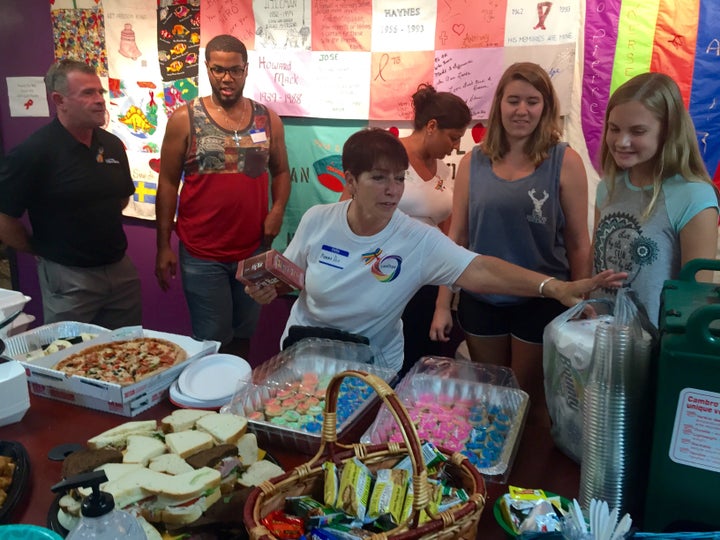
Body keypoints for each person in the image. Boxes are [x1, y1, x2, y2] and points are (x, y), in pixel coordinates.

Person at [245, 128, 624, 374]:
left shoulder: (415, 239)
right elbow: (288, 278)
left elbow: (482, 269)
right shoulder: (317, 219)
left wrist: (554, 287)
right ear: (350, 181)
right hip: (303, 358)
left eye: (398, 179)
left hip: (370, 372)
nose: (392, 190)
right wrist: (267, 289)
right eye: (378, 179)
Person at [430, 62, 592, 415]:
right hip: (481, 298)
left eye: (532, 101)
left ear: (546, 107)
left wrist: (580, 305)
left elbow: (579, 241)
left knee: (528, 402)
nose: (522, 110)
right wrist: (443, 304)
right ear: (499, 105)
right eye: (513, 100)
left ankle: (527, 470)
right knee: (490, 399)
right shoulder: (474, 161)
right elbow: (455, 238)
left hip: (542, 299)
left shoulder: (565, 161)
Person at [155, 34, 291, 357]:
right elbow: (168, 182)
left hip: (253, 251)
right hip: (203, 255)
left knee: (245, 335)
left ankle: (235, 403)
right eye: (218, 70)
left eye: (234, 70)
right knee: (211, 342)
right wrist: (162, 245)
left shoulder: (267, 119)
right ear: (207, 69)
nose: (226, 78)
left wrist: (278, 210)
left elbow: (281, 171)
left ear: (246, 70)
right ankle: (211, 405)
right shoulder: (184, 118)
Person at [0, 59, 142, 329]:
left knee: (128, 348)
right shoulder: (34, 152)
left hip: (119, 269)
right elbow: (4, 218)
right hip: (69, 276)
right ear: (59, 100)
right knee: (71, 354)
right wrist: (39, 250)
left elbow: (121, 198)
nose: (100, 100)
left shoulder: (111, 145)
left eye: (100, 92)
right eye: (88, 93)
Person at [341, 84, 471, 375]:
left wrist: (442, 303)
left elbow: (450, 240)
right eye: (453, 137)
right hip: (379, 279)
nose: (455, 147)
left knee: (420, 367)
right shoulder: (385, 156)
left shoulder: (442, 169)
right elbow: (344, 216)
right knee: (379, 369)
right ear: (431, 126)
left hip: (424, 284)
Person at [592, 72, 719, 325]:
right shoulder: (608, 186)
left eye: (637, 131)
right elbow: (595, 261)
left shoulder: (693, 196)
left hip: (656, 348)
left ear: (667, 133)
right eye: (614, 129)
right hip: (599, 336)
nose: (621, 141)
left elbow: (695, 298)